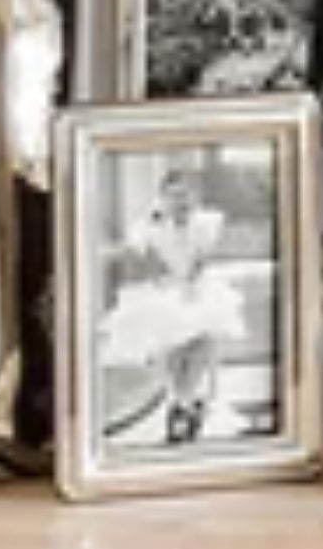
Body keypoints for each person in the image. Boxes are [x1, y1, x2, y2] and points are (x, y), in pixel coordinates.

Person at [95, 157, 242, 444]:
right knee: (170, 336)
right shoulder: (151, 225)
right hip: (166, 286)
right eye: (174, 195)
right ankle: (181, 403)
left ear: (195, 197)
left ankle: (182, 403)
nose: (180, 201)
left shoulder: (206, 223)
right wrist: (159, 270)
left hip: (197, 284)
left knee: (201, 334)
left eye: (186, 194)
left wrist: (189, 284)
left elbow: (201, 260)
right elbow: (137, 255)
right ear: (163, 198)